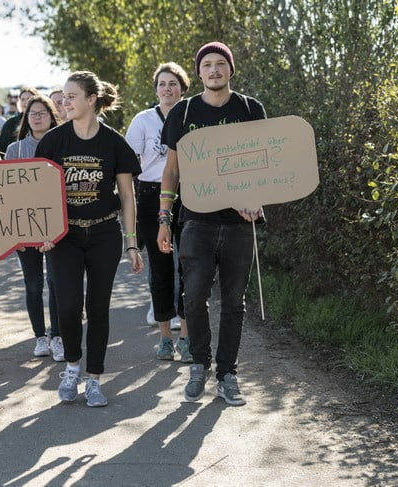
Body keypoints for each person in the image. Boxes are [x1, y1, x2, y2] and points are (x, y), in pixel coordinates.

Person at [157, 42, 266, 406]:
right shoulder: (184, 111)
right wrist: (163, 218)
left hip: (238, 224)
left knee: (234, 302)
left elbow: (265, 165)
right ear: (199, 73)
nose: (214, 70)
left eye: (221, 64)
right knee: (194, 297)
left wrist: (257, 198)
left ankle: (228, 374)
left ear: (231, 70)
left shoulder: (251, 109)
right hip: (196, 221)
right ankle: (199, 366)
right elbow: (171, 170)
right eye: (207, 65)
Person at [35, 71, 143, 407]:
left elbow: (127, 196)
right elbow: (38, 193)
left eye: (71, 96)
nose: (64, 102)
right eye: (63, 97)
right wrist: (43, 231)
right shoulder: (53, 141)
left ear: (91, 99)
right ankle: (71, 366)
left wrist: (131, 242)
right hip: (64, 236)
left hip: (103, 233)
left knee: (98, 307)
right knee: (67, 306)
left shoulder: (114, 143)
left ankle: (94, 378)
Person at [125, 62, 192, 361]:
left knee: (190, 265)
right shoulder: (143, 120)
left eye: (173, 83)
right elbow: (127, 163)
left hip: (190, 193)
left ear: (183, 87)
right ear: (156, 89)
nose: (168, 88)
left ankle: (188, 336)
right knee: (161, 267)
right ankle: (165, 337)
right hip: (152, 194)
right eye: (162, 84)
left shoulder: (193, 113)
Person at [4, 95, 64, 361]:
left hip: (56, 228)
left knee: (56, 283)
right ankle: (40, 336)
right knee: (33, 284)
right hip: (25, 228)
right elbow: (6, 193)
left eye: (42, 112)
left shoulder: (64, 144)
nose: (37, 116)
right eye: (32, 113)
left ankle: (58, 336)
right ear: (26, 119)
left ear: (52, 116)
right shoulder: (14, 150)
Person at [0, 86, 39, 155]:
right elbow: (1, 148)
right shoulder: (10, 123)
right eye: (23, 99)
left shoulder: (42, 122)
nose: (26, 102)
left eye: (29, 99)